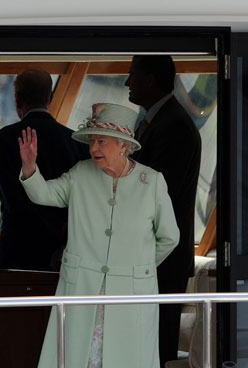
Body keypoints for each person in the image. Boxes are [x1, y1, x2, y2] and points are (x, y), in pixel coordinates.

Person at [19, 103, 180, 368]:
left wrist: (138, 267)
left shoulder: (151, 182)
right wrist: (29, 167)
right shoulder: (81, 173)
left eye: (101, 141)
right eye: (92, 140)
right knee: (77, 356)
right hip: (83, 285)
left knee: (127, 357)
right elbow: (44, 194)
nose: (93, 148)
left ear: (123, 145)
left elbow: (169, 237)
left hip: (130, 292)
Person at [125, 55, 202, 367]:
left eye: (132, 75)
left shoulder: (174, 127)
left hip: (163, 257)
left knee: (157, 342)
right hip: (153, 255)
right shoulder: (160, 121)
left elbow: (158, 192)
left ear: (149, 80)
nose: (126, 82)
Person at [0, 68, 88, 271]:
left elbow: (12, 202)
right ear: (50, 98)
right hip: (64, 253)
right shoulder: (78, 143)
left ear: (17, 100)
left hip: (18, 249)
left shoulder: (2, 140)